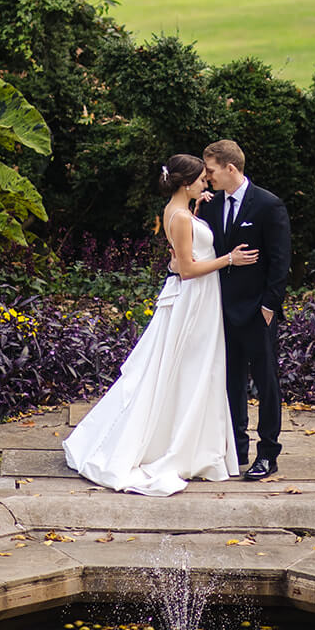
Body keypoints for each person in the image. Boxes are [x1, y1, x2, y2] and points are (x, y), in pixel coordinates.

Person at [63, 154, 260, 496]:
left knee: (191, 370)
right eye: (200, 179)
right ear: (187, 183)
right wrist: (230, 258)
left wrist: (199, 209)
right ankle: (181, 446)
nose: (205, 183)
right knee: (194, 369)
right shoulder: (181, 217)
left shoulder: (180, 211)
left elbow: (181, 255)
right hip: (195, 299)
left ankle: (191, 442)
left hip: (199, 298)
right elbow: (186, 269)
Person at [199, 139, 291, 480]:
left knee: (266, 383)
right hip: (220, 310)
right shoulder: (209, 205)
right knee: (230, 381)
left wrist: (269, 306)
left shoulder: (268, 205)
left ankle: (268, 453)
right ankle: (236, 449)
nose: (206, 177)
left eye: (210, 171)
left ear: (230, 168)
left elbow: (281, 261)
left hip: (257, 311)